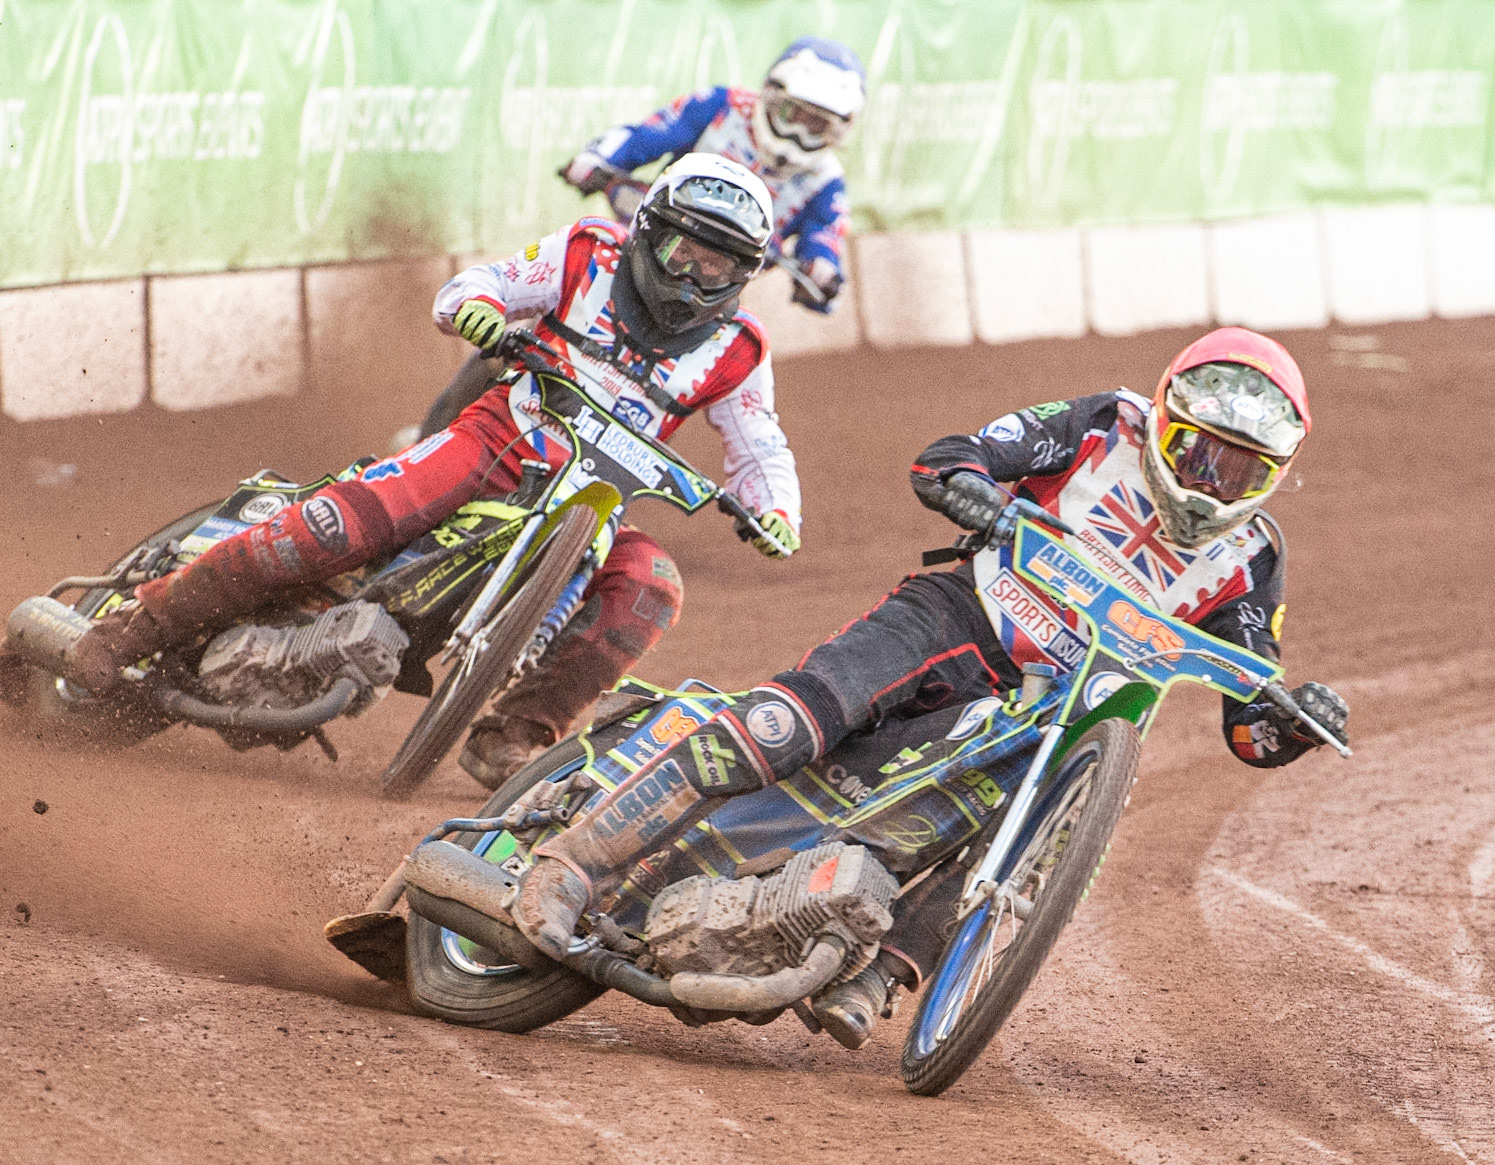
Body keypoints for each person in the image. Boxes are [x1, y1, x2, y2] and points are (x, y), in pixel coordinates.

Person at [507, 326, 1351, 1048]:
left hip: (1058, 711)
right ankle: (573, 861)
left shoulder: (1252, 557)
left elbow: (1249, 721)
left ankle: (878, 974)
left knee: (1032, 842)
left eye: (1241, 471)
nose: (1211, 483)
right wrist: (972, 490)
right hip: (961, 618)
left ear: (1276, 474)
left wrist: (1296, 721)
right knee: (784, 724)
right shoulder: (1104, 425)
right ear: (1163, 421)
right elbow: (953, 456)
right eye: (1198, 453)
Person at [61, 153, 805, 790]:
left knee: (653, 585)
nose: (693, 276)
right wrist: (476, 308)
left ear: (744, 273)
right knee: (342, 524)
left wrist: (775, 509)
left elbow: (759, 442)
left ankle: (517, 730)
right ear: (649, 231)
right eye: (684, 252)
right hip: (498, 439)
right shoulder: (588, 252)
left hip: (595, 505)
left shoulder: (739, 348)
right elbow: (487, 282)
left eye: (717, 264)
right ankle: (134, 628)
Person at [409, 36, 866, 443]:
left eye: (817, 125)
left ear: (839, 132)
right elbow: (650, 136)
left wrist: (824, 273)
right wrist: (599, 158)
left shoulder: (825, 179)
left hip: (706, 303)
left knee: (659, 395)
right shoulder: (721, 107)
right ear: (770, 94)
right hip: (637, 259)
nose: (799, 132)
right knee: (518, 341)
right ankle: (431, 440)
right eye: (792, 114)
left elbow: (825, 237)